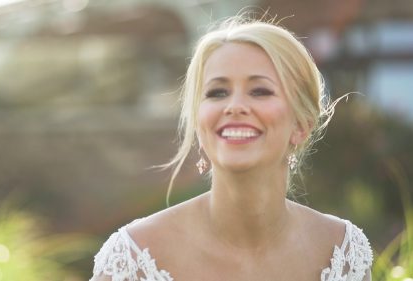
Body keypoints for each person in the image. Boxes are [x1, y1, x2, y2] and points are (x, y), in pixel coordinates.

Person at [89, 15, 373, 281]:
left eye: (260, 91)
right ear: (200, 125)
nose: (234, 106)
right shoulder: (133, 257)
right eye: (217, 93)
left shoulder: (342, 252)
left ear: (301, 124)